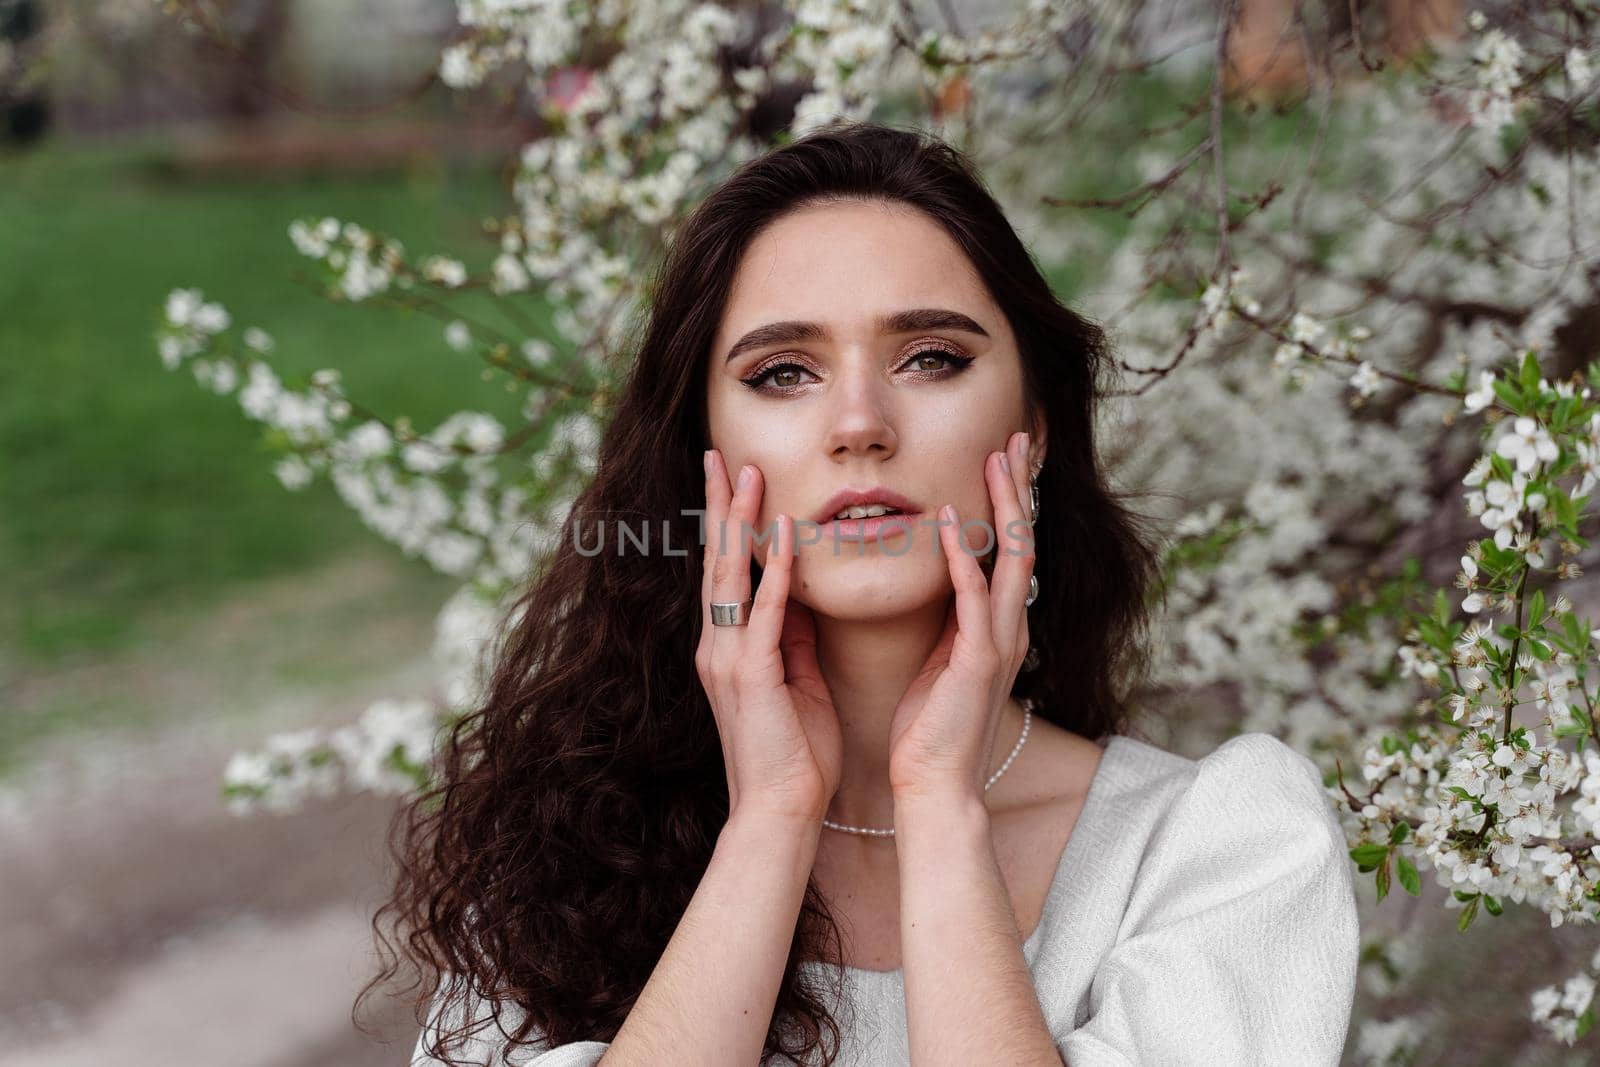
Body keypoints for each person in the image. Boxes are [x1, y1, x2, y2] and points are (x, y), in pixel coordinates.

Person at [379, 120, 1360, 1066]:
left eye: (929, 357)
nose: (858, 424)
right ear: (704, 450)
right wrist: (769, 820)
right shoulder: (563, 849)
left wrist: (937, 803)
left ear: (1038, 424)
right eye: (783, 371)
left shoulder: (1217, 847)